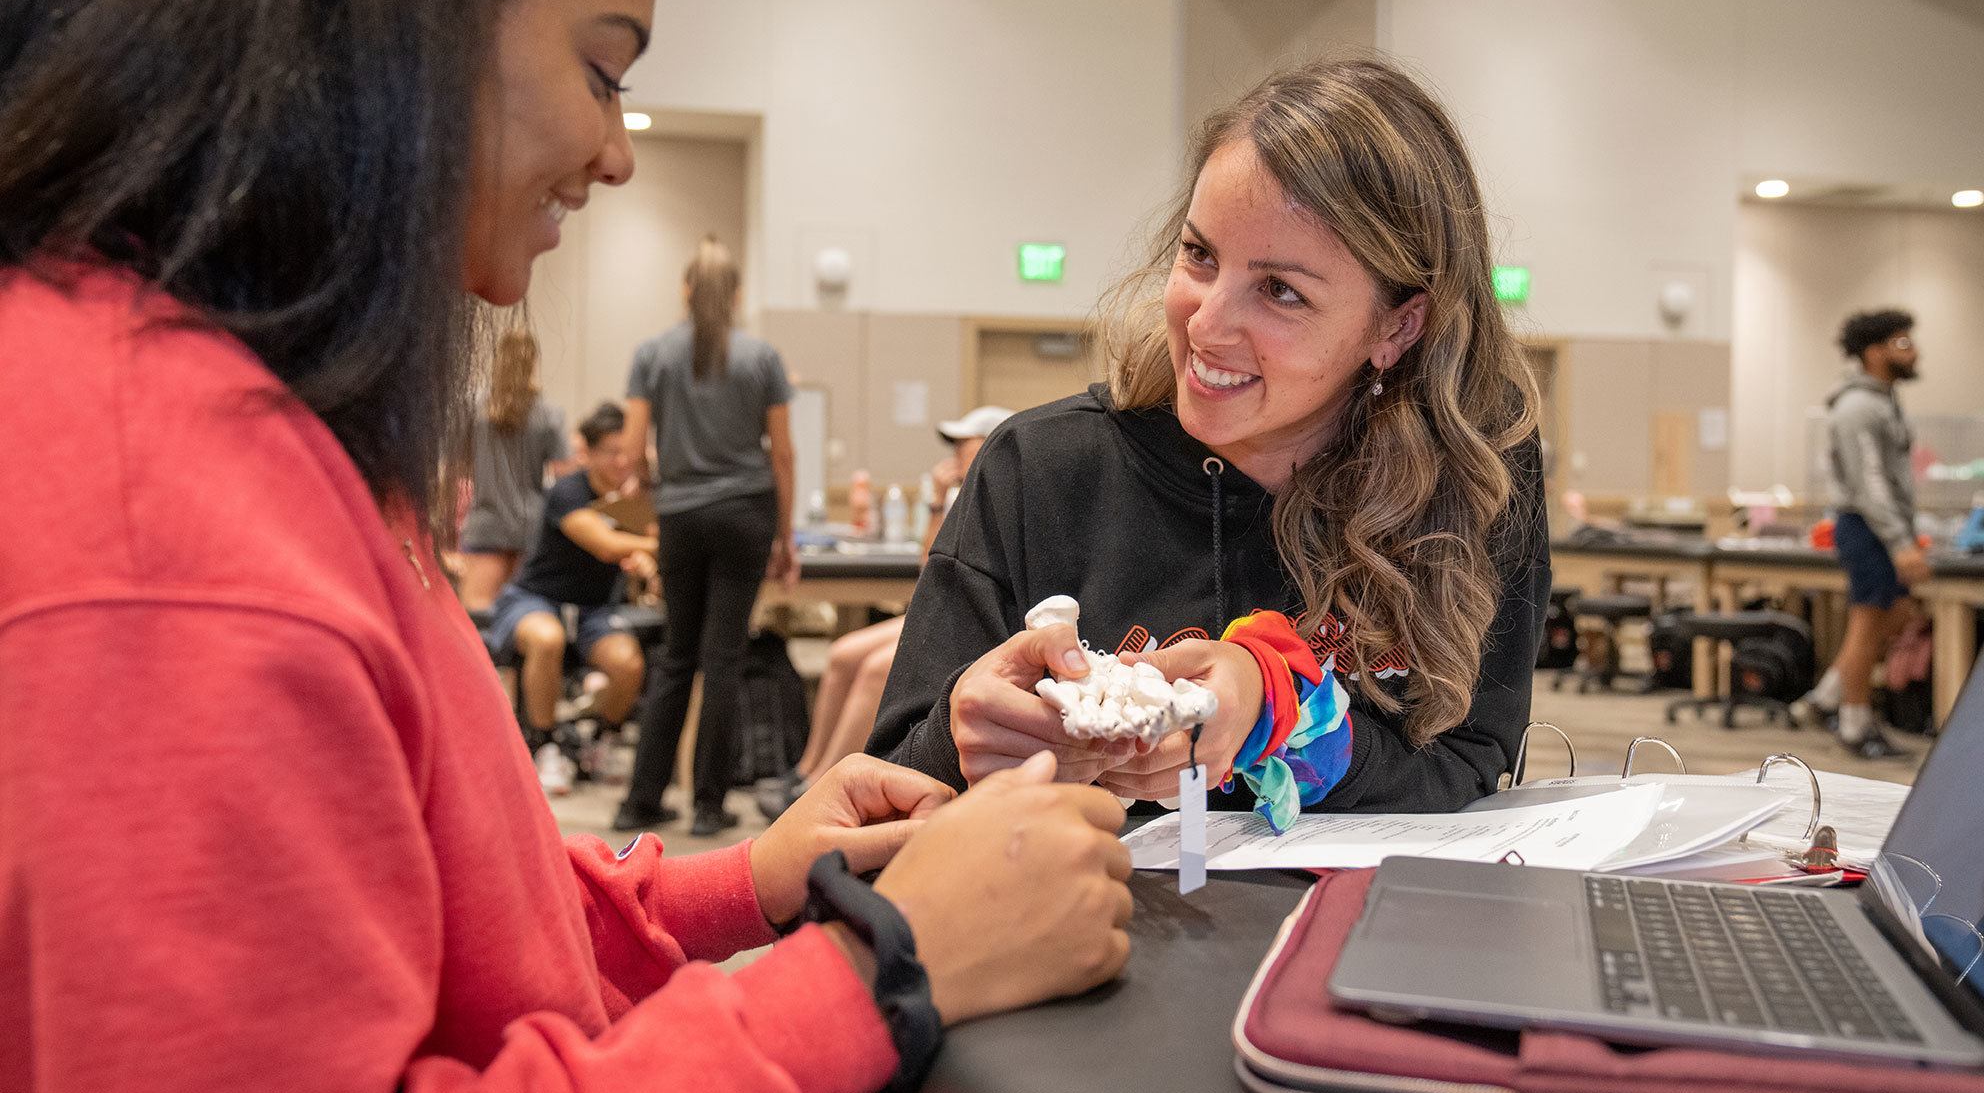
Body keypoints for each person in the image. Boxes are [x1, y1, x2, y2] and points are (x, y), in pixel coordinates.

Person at [0, 0, 1134, 1093]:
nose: (613, 153)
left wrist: (756, 878)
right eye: (599, 73)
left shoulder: (240, 411)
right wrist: (873, 973)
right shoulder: (172, 533)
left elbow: (447, 917)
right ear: (389, 18)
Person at [870, 56, 1552, 824]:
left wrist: (1281, 719)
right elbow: (884, 800)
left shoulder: (1474, 480)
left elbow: (1467, 767)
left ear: (1396, 325)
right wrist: (961, 738)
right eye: (1200, 256)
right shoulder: (1041, 471)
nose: (1204, 322)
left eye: (1281, 291)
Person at [616, 237, 798, 835]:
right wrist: (785, 536)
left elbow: (631, 445)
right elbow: (783, 455)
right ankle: (709, 806)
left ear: (686, 290)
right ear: (738, 294)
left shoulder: (652, 354)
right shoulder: (762, 357)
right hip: (746, 512)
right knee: (724, 658)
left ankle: (641, 799)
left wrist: (651, 481)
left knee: (676, 655)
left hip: (681, 515)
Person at [762, 406, 1014, 818]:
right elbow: (931, 569)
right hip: (943, 606)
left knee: (878, 668)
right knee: (844, 653)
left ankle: (820, 786)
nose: (953, 455)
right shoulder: (958, 493)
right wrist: (936, 500)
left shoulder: (1005, 495)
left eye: (963, 445)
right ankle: (806, 770)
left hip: (981, 619)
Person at [483, 401, 653, 794]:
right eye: (612, 452)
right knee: (547, 639)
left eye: (628, 451)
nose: (622, 461)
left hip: (594, 610)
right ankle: (546, 747)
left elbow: (634, 550)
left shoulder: (636, 502)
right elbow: (606, 544)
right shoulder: (567, 492)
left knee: (628, 663)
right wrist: (655, 544)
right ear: (588, 454)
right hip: (535, 599)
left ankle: (600, 741)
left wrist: (646, 561)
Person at [1795, 308, 1923, 758]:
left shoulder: (1883, 400)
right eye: (1902, 343)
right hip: (1866, 526)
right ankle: (1853, 723)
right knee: (1868, 626)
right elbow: (1870, 484)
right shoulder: (1857, 408)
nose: (1914, 351)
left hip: (1880, 526)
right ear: (1874, 352)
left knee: (1899, 612)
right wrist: (1900, 542)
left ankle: (1825, 697)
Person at [458, 327, 572, 611]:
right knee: (520, 616)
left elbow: (457, 465)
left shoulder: (473, 407)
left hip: (486, 524)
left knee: (478, 617)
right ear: (534, 361)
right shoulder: (550, 413)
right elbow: (564, 479)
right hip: (531, 529)